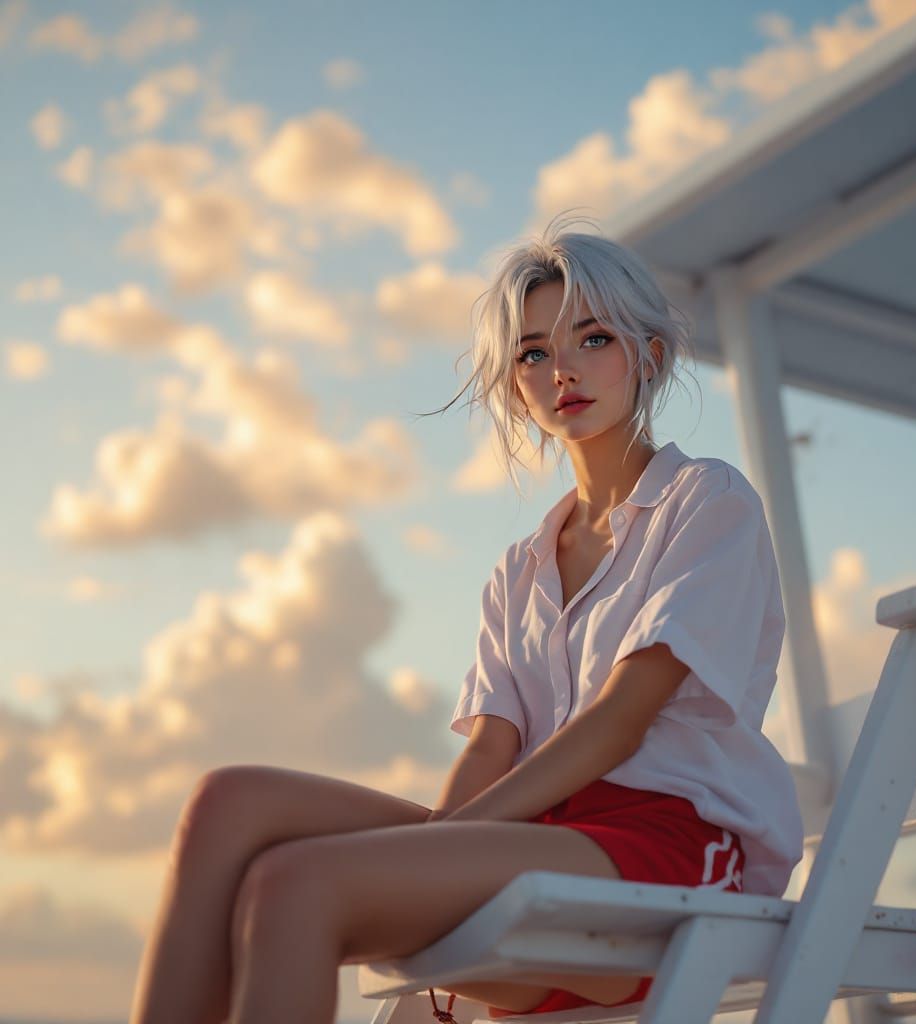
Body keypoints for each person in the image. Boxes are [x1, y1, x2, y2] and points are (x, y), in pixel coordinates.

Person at [127, 212, 802, 1024]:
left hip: (673, 857)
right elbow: (491, 748)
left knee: (295, 881)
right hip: (536, 845)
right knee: (226, 802)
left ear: (648, 355)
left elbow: (622, 720)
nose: (564, 371)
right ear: (515, 383)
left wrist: (435, 847)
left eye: (592, 339)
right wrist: (443, 843)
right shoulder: (519, 570)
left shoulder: (706, 502)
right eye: (534, 352)